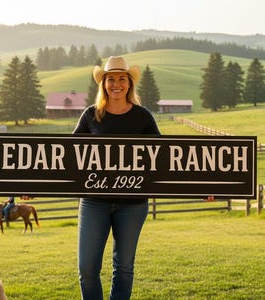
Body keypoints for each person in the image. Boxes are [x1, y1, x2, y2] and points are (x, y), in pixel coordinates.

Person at [73, 56, 160, 300]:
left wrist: (206, 187)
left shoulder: (143, 117)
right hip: (93, 202)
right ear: (104, 84)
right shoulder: (91, 116)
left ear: (130, 84)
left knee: (123, 267)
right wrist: (30, 187)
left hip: (132, 204)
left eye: (122, 79)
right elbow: (65, 159)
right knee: (87, 269)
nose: (116, 84)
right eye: (111, 79)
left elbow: (165, 161)